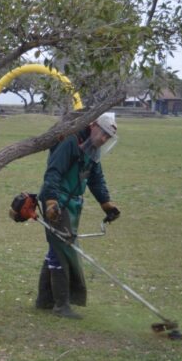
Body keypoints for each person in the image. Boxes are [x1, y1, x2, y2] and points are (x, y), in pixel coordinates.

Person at [34, 112, 120, 319]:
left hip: (72, 206)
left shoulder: (92, 149)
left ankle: (44, 300)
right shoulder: (70, 142)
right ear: (93, 126)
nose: (104, 140)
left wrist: (106, 204)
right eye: (103, 134)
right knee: (64, 252)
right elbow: (53, 172)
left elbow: (96, 179)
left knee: (58, 247)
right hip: (56, 203)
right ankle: (61, 305)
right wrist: (51, 202)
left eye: (108, 137)